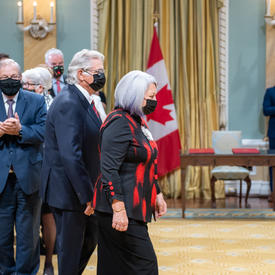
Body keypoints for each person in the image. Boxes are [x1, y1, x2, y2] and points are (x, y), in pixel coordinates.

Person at [93, 70, 167, 275]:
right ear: (134, 96)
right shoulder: (119, 122)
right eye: (150, 97)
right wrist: (118, 209)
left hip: (135, 207)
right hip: (120, 208)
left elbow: (146, 162)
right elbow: (108, 169)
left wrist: (157, 193)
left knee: (115, 267)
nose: (155, 100)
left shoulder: (137, 120)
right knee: (145, 266)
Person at [41, 49, 106, 275]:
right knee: (70, 252)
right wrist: (87, 195)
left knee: (88, 241)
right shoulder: (69, 101)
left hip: (79, 189)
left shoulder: (83, 100)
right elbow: (71, 154)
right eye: (97, 72)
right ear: (81, 74)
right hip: (70, 193)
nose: (101, 76)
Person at [0, 58, 47, 274]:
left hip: (28, 178)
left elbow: (44, 132)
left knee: (28, 237)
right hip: (2, 180)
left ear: (21, 78)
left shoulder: (36, 101)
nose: (10, 81)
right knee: (2, 237)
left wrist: (20, 130)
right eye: (4, 78)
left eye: (14, 77)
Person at [22, 67, 55, 275]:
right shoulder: (23, 103)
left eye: (26, 84)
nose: (22, 87)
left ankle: (49, 261)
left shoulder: (53, 105)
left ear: (40, 87)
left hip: (48, 167)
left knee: (47, 216)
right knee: (31, 221)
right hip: (29, 166)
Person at [263, 86, 275, 202]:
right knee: (273, 163)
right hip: (274, 134)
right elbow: (265, 110)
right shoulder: (270, 92)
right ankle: (273, 192)